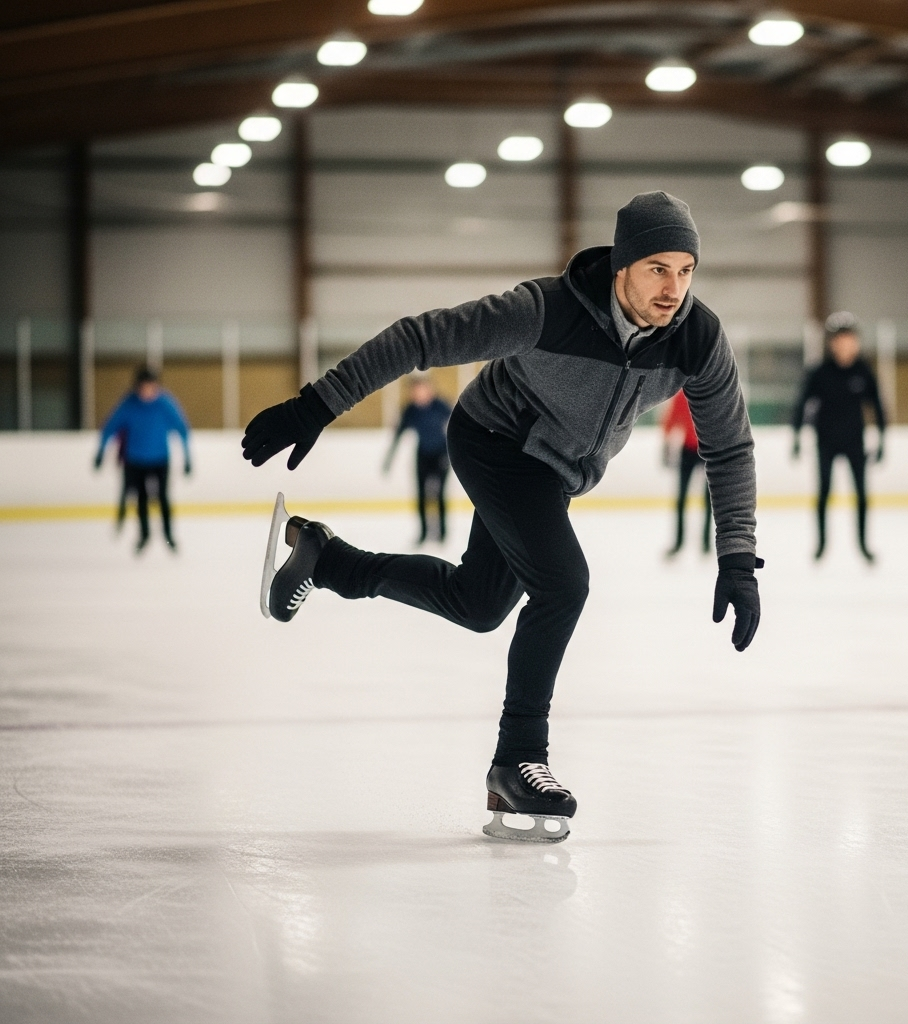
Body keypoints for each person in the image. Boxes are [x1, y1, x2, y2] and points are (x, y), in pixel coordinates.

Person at [242, 191, 762, 843]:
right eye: (658, 268)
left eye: (686, 271)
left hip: (555, 473)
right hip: (495, 441)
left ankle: (328, 560)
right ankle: (518, 759)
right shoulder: (549, 311)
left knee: (479, 603)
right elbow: (421, 337)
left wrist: (737, 558)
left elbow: (728, 445)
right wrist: (316, 404)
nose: (673, 289)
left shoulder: (697, 338)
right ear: (622, 264)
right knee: (563, 584)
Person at [792, 311, 886, 563]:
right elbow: (802, 404)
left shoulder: (863, 371)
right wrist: (796, 437)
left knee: (862, 495)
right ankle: (821, 544)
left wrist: (882, 441)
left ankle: (863, 545)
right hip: (826, 441)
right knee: (823, 492)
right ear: (831, 343)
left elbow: (877, 406)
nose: (845, 344)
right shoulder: (820, 372)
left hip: (855, 442)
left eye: (849, 338)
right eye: (839, 339)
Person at [95, 366, 191, 552]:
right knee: (141, 499)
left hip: (160, 460)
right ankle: (144, 534)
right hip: (135, 460)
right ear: (137, 386)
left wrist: (188, 457)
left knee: (163, 497)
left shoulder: (164, 403)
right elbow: (110, 427)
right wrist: (100, 452)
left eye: (150, 387)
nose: (147, 391)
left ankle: (168, 534)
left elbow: (182, 428)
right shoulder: (129, 404)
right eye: (143, 387)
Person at [383, 375, 452, 543]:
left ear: (429, 389)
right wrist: (389, 459)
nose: (417, 393)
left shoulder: (440, 406)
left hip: (441, 455)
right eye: (414, 390)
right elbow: (399, 434)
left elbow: (456, 426)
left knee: (439, 494)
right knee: (421, 496)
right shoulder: (410, 410)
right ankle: (423, 533)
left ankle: (442, 533)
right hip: (422, 455)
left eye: (420, 389)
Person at [662, 389, 712, 558]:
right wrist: (666, 445)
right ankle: (679, 542)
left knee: (709, 498)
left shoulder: (709, 392)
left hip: (708, 449)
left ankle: (706, 543)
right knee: (682, 498)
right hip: (689, 450)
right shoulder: (682, 396)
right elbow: (671, 420)